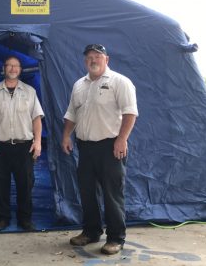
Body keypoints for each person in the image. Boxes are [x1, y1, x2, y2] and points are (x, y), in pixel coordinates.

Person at [62, 44, 138, 255]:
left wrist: (121, 140)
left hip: (110, 147)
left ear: (107, 59)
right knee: (87, 192)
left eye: (97, 56)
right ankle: (91, 232)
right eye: (89, 57)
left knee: (112, 194)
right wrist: (66, 136)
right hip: (85, 147)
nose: (93, 60)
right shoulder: (79, 85)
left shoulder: (120, 82)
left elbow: (130, 113)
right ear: (85, 61)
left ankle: (115, 238)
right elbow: (71, 114)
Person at [0, 56, 44, 232]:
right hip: (0, 145)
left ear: (21, 69)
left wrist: (37, 141)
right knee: (0, 184)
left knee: (26, 184)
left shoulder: (30, 92)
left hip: (24, 146)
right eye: (10, 65)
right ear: (4, 68)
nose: (13, 69)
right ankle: (3, 218)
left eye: (16, 66)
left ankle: (25, 220)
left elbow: (36, 118)